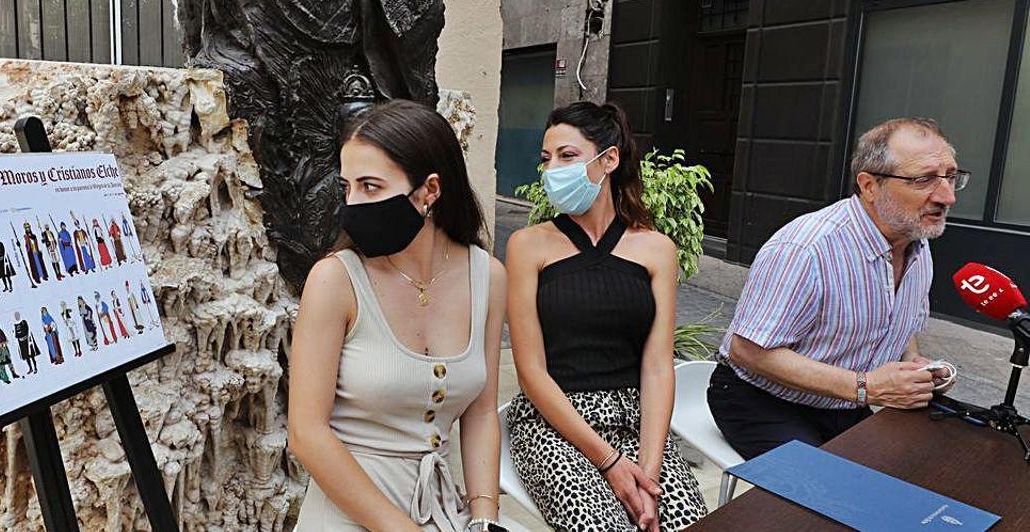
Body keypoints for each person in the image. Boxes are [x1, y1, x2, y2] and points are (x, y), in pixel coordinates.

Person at [289, 99, 505, 531]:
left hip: (443, 510)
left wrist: (484, 518)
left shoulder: (488, 276)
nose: (353, 203)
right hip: (348, 511)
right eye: (347, 187)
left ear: (430, 191)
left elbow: (480, 413)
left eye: (371, 186)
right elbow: (307, 433)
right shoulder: (335, 281)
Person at [708, 118, 963, 459]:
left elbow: (901, 323)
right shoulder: (806, 248)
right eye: (923, 179)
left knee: (923, 468)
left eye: (950, 176)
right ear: (870, 186)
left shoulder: (916, 242)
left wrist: (914, 364)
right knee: (832, 497)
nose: (947, 196)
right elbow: (747, 351)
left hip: (845, 403)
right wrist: (869, 386)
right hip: (760, 401)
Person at [505, 101, 707, 531]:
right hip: (555, 425)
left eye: (568, 156)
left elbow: (657, 366)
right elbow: (531, 371)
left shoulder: (656, 249)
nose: (553, 169)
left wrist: (649, 476)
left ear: (609, 159)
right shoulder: (528, 246)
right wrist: (611, 462)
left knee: (686, 522)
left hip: (637, 422)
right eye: (547, 159)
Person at [0, 318, 21, 383]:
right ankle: (5, 378)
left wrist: (6, 342)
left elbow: (4, 338)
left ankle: (13, 374)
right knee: (1, 364)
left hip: (5, 348)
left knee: (9, 362)